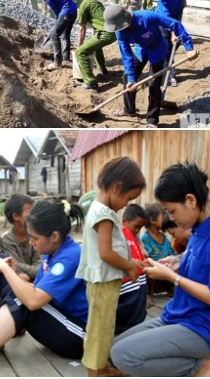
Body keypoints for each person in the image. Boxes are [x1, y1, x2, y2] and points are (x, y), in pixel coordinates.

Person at [110, 163, 210, 377]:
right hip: (178, 315)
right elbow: (202, 260)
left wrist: (173, 277)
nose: (171, 219)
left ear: (190, 200)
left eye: (171, 211)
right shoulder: (199, 227)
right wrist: (177, 260)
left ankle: (198, 366)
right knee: (114, 349)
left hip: (205, 328)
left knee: (125, 356)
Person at [0, 200, 94, 363]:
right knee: (15, 291)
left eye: (35, 238)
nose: (31, 242)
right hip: (63, 322)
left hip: (80, 336)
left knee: (22, 301)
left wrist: (6, 269)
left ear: (55, 237)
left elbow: (34, 301)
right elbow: (36, 289)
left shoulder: (70, 256)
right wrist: (14, 270)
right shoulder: (51, 251)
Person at [76, 157, 146, 376]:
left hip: (105, 281)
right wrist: (128, 267)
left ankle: (101, 366)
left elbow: (112, 248)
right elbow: (106, 253)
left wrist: (130, 261)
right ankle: (95, 371)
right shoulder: (103, 214)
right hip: (103, 282)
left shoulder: (100, 210)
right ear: (116, 188)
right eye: (128, 198)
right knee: (100, 329)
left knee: (104, 327)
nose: (126, 204)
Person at [103, 5, 199, 127]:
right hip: (140, 50)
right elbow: (126, 55)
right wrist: (132, 79)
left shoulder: (147, 17)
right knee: (127, 77)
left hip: (157, 48)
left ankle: (152, 120)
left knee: (154, 84)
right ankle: (129, 110)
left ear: (125, 20)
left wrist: (189, 47)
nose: (118, 30)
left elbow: (174, 24)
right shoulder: (120, 32)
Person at [32, 0, 79, 71]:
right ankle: (66, 58)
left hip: (65, 13)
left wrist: (58, 22)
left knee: (54, 35)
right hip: (74, 11)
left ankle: (57, 62)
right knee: (66, 35)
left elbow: (57, 12)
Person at [74, 0, 114, 90]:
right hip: (112, 32)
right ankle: (103, 70)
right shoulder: (96, 2)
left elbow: (82, 29)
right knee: (97, 47)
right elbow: (98, 21)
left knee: (80, 53)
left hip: (104, 34)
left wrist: (79, 47)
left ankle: (90, 82)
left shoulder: (84, 4)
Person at [155, 0, 188, 87]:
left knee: (176, 43)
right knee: (167, 46)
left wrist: (183, 0)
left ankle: (167, 67)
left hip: (177, 13)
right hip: (163, 19)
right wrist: (173, 33)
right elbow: (167, 16)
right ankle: (169, 76)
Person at [118, 204, 149, 326]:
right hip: (126, 283)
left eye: (140, 228)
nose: (137, 230)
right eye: (136, 226)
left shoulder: (137, 238)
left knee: (138, 308)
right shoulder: (118, 235)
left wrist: (144, 257)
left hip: (139, 280)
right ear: (125, 221)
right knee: (127, 309)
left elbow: (142, 251)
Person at [0, 194, 39, 281]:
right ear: (16, 216)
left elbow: (40, 265)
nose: (34, 217)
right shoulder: (7, 240)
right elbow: (14, 266)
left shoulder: (36, 235)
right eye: (30, 213)